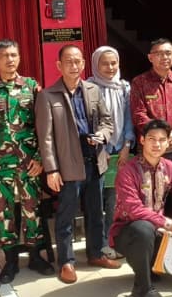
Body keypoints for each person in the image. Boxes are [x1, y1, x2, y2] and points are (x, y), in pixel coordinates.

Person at [36, 44, 118, 284]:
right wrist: (51, 169)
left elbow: (106, 120)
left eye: (78, 61)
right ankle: (67, 261)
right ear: (59, 66)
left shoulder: (92, 89)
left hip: (95, 161)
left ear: (83, 64)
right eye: (69, 62)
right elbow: (46, 137)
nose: (74, 66)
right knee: (66, 215)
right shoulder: (48, 96)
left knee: (96, 212)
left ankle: (96, 253)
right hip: (68, 165)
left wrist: (102, 135)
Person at [0, 40, 54, 284]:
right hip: (1, 163)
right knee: (3, 212)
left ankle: (36, 257)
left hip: (29, 162)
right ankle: (11, 262)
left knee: (32, 209)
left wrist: (40, 158)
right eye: (4, 55)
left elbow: (43, 125)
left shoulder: (31, 87)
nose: (10, 59)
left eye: (14, 54)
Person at [109, 119, 172, 297]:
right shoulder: (128, 171)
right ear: (142, 140)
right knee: (143, 229)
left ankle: (149, 267)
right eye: (152, 139)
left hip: (158, 230)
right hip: (128, 232)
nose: (157, 144)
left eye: (162, 140)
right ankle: (143, 288)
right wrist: (170, 224)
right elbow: (133, 209)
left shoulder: (170, 167)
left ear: (168, 142)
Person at [90, 45, 134, 259]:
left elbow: (128, 119)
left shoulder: (124, 87)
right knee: (96, 202)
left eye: (113, 63)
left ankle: (113, 242)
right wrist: (102, 148)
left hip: (120, 152)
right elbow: (89, 121)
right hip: (98, 153)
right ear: (95, 65)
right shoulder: (88, 87)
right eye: (104, 63)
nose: (109, 67)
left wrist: (126, 146)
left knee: (116, 201)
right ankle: (97, 247)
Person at [130, 37, 172, 170]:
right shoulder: (139, 82)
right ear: (150, 57)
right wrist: (160, 136)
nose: (164, 57)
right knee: (150, 188)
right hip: (152, 150)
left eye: (168, 53)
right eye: (159, 54)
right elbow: (138, 114)